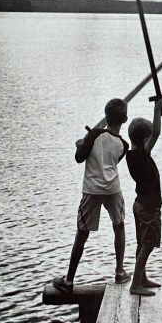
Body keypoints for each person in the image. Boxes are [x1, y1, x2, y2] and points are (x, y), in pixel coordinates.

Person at [52, 98, 130, 293]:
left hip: (92, 189)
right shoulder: (124, 145)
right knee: (119, 226)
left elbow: (79, 158)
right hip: (112, 189)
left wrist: (80, 144)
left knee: (82, 232)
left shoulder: (94, 135)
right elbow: (113, 160)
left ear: (106, 117)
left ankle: (69, 280)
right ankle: (119, 272)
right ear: (125, 119)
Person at [124, 97, 162, 296]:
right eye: (148, 139)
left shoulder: (132, 155)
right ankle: (135, 285)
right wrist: (157, 109)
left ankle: (141, 278)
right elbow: (156, 133)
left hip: (139, 204)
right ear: (144, 141)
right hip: (148, 207)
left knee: (141, 243)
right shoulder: (141, 156)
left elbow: (152, 134)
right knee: (148, 244)